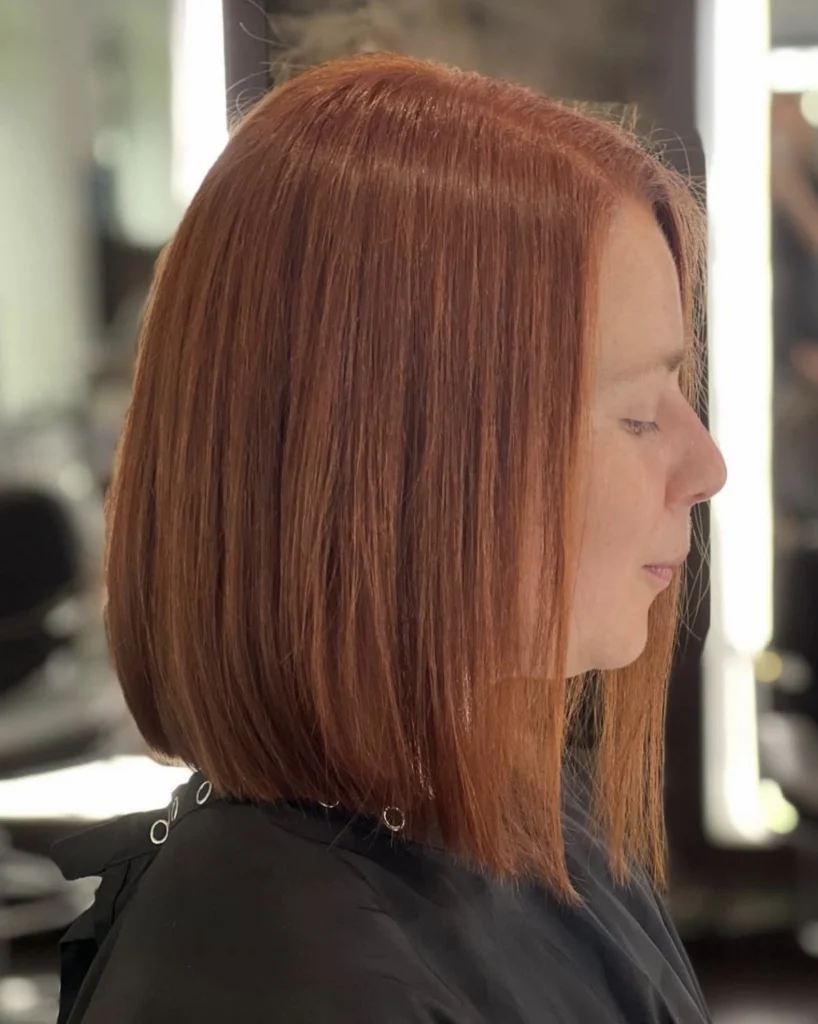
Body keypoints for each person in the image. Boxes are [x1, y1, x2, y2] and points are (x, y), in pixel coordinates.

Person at [52, 52, 726, 1023]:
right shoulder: (285, 981)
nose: (705, 466)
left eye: (677, 393)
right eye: (634, 415)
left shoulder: (524, 814)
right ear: (398, 453)